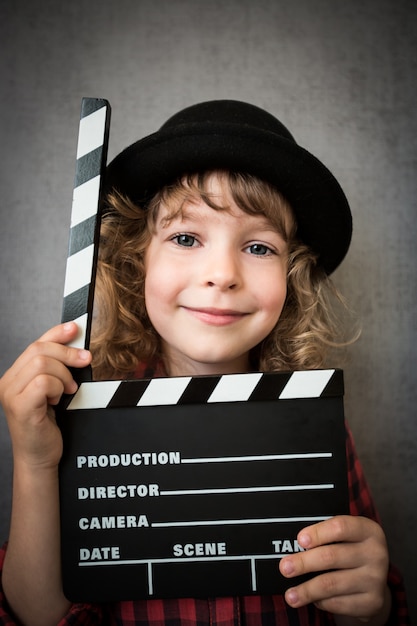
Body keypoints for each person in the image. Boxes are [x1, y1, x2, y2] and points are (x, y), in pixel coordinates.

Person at [0, 100, 409, 626]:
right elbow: (38, 615)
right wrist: (34, 462)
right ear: (135, 259)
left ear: (292, 277)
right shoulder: (81, 418)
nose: (222, 273)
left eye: (259, 247)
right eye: (186, 238)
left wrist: (367, 604)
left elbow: (356, 595)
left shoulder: (315, 426)